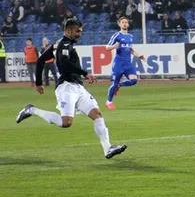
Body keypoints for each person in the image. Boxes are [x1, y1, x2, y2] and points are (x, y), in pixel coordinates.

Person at [15, 20, 127, 159]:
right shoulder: (65, 45)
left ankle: (108, 148)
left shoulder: (58, 44)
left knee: (97, 114)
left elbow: (40, 60)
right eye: (77, 31)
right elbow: (65, 63)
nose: (80, 34)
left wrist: (38, 82)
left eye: (80, 31)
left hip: (78, 87)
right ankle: (31, 110)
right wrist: (85, 73)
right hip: (66, 86)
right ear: (69, 31)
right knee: (66, 122)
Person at [105, 16, 145, 110]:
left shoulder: (130, 37)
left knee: (134, 80)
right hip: (118, 63)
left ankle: (120, 85)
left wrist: (139, 55)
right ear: (119, 24)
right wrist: (114, 46)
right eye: (122, 22)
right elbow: (107, 47)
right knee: (114, 83)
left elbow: (130, 49)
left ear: (128, 24)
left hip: (128, 64)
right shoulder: (116, 35)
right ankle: (109, 102)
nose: (124, 24)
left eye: (126, 22)